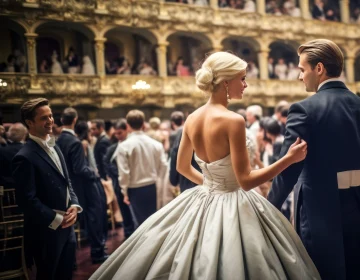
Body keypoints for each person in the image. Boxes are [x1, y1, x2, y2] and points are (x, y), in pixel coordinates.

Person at [91, 52, 319, 280]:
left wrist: (212, 184)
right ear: (226, 82)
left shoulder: (192, 118)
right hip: (234, 203)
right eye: (242, 78)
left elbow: (182, 166)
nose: (246, 84)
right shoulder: (234, 121)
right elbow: (246, 181)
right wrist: (288, 159)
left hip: (203, 198)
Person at [268, 39, 360, 280]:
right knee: (354, 271)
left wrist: (268, 207)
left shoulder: (303, 109)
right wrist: (356, 183)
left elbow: (288, 170)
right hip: (356, 205)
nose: (299, 76)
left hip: (318, 210)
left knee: (321, 272)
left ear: (319, 68)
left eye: (302, 69)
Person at [12, 98, 82, 280]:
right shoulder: (24, 157)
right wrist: (57, 218)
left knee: (66, 274)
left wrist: (74, 205)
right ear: (30, 123)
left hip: (67, 227)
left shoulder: (55, 145)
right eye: (44, 118)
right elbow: (27, 201)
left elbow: (67, 182)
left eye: (51, 116)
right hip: (45, 231)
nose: (51, 121)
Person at [56, 108, 109, 264]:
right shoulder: (75, 142)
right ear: (75, 120)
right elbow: (80, 168)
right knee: (94, 216)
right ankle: (97, 253)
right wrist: (95, 174)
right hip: (84, 185)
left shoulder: (57, 140)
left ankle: (70, 260)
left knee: (73, 221)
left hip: (68, 187)